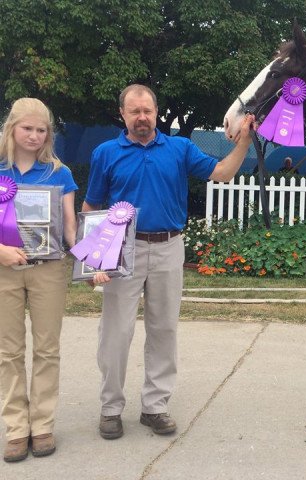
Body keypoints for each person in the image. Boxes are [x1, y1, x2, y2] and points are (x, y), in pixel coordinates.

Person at [83, 84, 255, 440]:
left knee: (164, 330)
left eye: (147, 110)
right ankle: (111, 408)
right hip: (120, 251)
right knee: (116, 332)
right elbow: (92, 207)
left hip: (168, 247)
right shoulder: (105, 153)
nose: (142, 117)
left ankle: (155, 407)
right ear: (123, 115)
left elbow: (222, 173)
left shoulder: (179, 148)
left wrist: (244, 143)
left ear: (156, 111)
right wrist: (91, 260)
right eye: (135, 112)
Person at [0, 98, 77, 462]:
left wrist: (95, 262)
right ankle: (16, 428)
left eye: (41, 129)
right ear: (12, 127)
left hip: (48, 270)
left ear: (49, 134)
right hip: (3, 270)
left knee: (47, 349)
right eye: (27, 128)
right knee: (8, 352)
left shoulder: (59, 174)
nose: (33, 136)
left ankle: (42, 424)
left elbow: (71, 230)